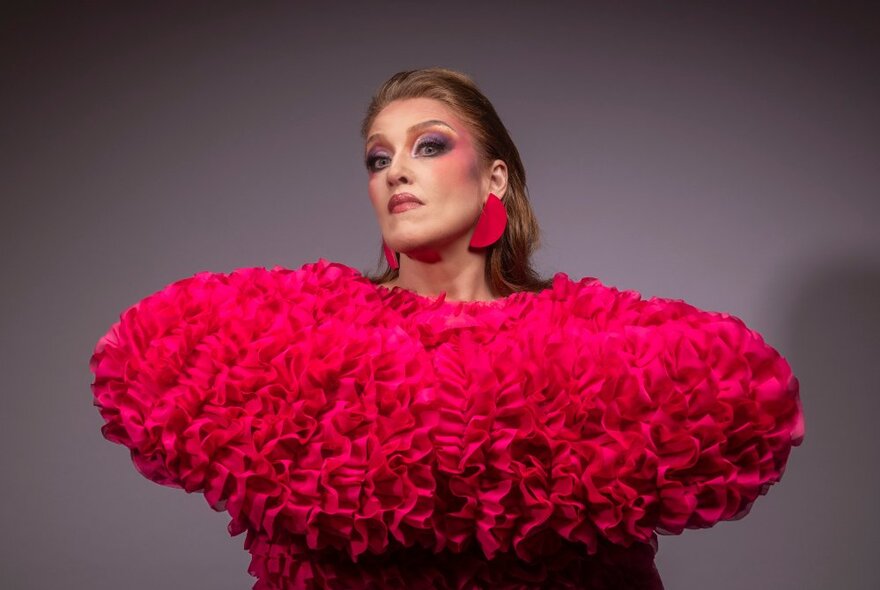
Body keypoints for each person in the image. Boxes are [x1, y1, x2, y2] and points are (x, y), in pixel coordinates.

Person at [89, 67, 805, 590]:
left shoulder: (598, 341)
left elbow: (745, 396)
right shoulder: (297, 336)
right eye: (379, 158)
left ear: (494, 180)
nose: (397, 171)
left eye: (428, 145)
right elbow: (144, 356)